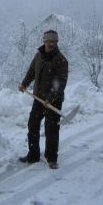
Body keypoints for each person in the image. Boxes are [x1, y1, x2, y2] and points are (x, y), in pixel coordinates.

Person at [18, 29, 69, 169]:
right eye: (48, 41)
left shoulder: (61, 60)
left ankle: (51, 158)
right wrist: (24, 84)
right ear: (44, 41)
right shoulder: (38, 56)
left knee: (51, 129)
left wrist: (51, 98)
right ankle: (33, 155)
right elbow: (31, 72)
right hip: (39, 98)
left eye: (53, 41)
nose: (50, 44)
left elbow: (60, 83)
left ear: (56, 43)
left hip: (54, 100)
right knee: (32, 125)